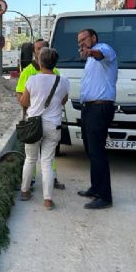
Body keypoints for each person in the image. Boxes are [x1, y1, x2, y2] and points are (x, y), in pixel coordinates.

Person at [19, 48, 69, 209]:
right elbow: (63, 101)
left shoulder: (32, 80)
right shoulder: (63, 81)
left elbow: (24, 102)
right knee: (47, 162)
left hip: (34, 125)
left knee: (30, 159)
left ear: (40, 62)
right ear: (55, 63)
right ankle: (47, 200)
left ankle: (25, 191)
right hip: (53, 125)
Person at [77, 28, 117, 210]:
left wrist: (90, 52)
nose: (82, 44)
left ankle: (105, 196)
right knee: (91, 152)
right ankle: (95, 188)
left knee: (98, 153)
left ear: (93, 37)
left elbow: (101, 54)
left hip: (100, 108)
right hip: (89, 108)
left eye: (84, 39)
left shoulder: (104, 49)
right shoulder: (90, 61)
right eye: (79, 42)